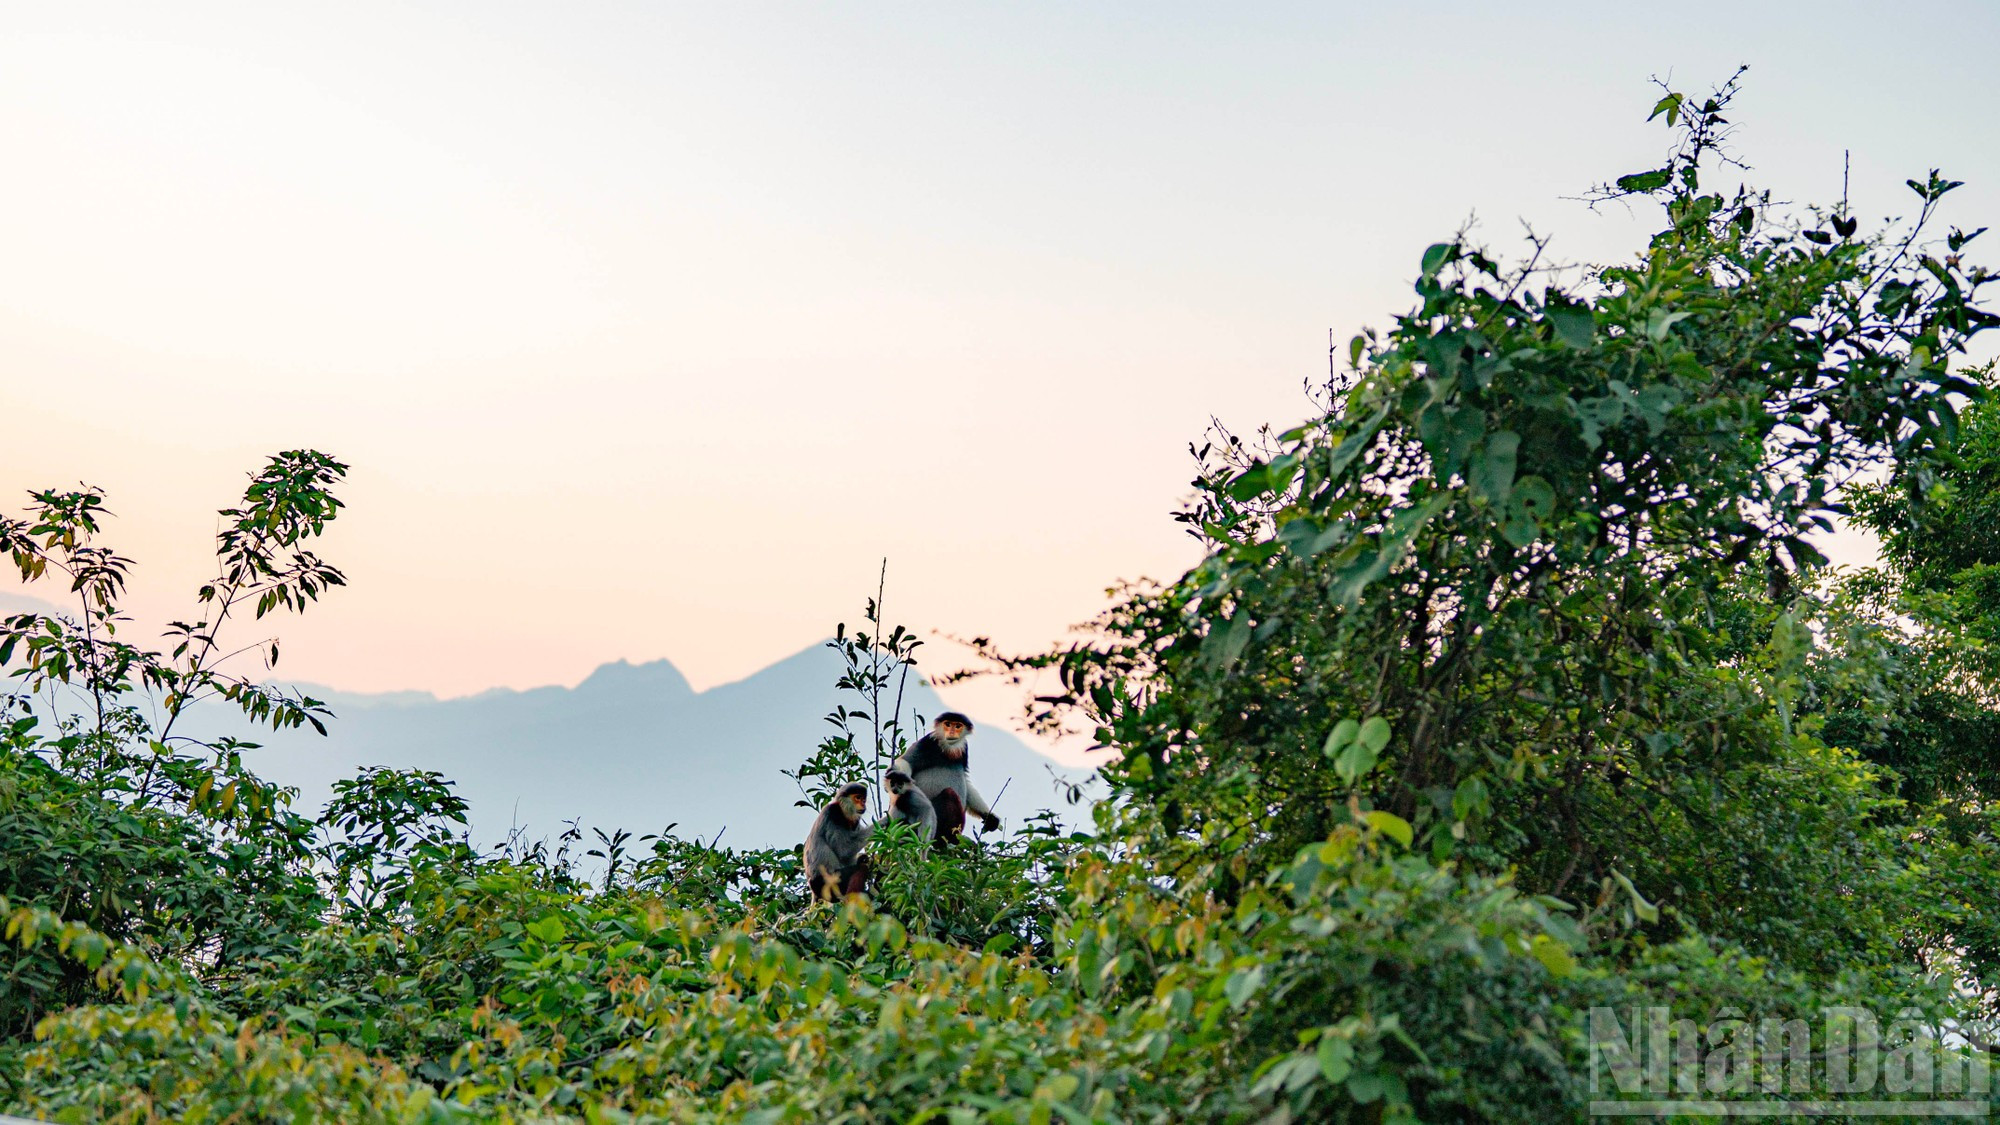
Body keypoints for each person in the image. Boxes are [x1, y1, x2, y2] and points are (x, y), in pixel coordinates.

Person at [891, 711, 999, 842]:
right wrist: (899, 776)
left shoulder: (962, 750)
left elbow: (964, 783)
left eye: (957, 727)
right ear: (938, 726)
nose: (952, 732)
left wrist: (986, 814)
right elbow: (904, 762)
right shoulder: (928, 744)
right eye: (947, 725)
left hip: (950, 825)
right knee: (949, 796)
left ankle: (946, 844)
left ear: (968, 730)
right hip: (921, 817)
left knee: (951, 796)